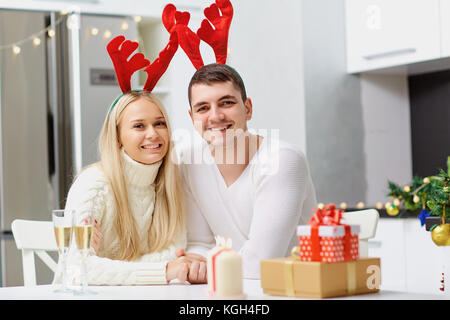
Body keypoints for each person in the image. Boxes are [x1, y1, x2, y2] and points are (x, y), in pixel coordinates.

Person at [177, 63, 317, 279]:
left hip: (292, 288)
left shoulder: (282, 160)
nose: (215, 116)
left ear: (248, 108)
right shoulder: (189, 163)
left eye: (227, 103)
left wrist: (206, 268)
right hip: (233, 290)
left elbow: (260, 263)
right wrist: (195, 264)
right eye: (203, 108)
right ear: (192, 117)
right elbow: (200, 244)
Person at [61, 90, 207, 285]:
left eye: (159, 123)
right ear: (118, 136)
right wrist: (164, 270)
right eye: (139, 126)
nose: (153, 134)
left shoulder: (172, 185)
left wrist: (108, 266)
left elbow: (174, 256)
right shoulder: (94, 185)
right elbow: (76, 269)